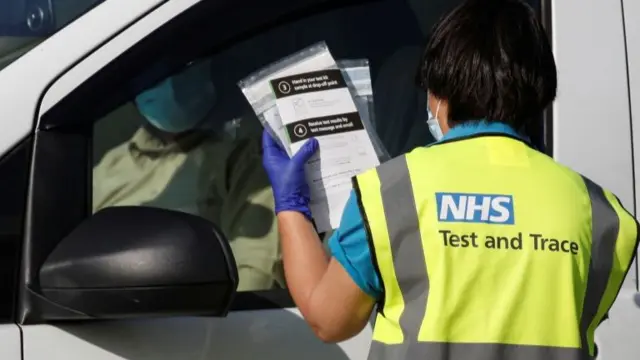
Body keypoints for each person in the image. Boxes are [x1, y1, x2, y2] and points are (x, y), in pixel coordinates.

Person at [260, 0, 639, 359]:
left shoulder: (390, 194)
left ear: (438, 93)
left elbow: (329, 319)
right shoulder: (603, 214)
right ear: (540, 91)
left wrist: (291, 204)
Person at [93, 59, 284, 292]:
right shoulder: (110, 166)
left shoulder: (245, 155)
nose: (170, 83)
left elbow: (255, 274)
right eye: (152, 73)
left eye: (182, 65)